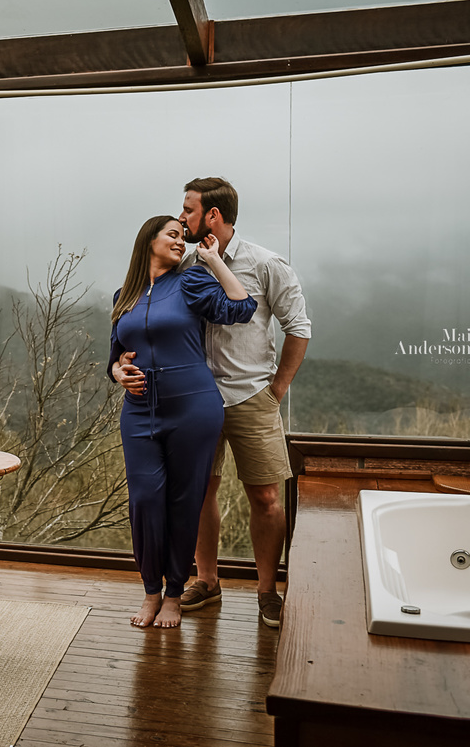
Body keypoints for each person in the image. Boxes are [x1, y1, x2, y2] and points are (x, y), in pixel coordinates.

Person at [173, 176, 311, 628]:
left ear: (213, 215)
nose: (181, 217)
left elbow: (298, 328)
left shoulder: (266, 264)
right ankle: (207, 582)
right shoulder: (185, 262)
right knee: (200, 492)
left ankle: (268, 592)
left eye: (189, 210)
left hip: (252, 396)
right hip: (196, 398)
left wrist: (277, 390)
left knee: (267, 497)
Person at [108, 215, 255, 628]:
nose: (180, 242)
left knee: (185, 500)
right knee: (145, 500)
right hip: (139, 411)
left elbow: (242, 308)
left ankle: (173, 594)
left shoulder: (190, 281)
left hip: (192, 407)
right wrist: (119, 373)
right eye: (171, 235)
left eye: (182, 237)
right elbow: (115, 356)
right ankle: (150, 591)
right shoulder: (124, 296)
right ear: (148, 241)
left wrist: (214, 260)